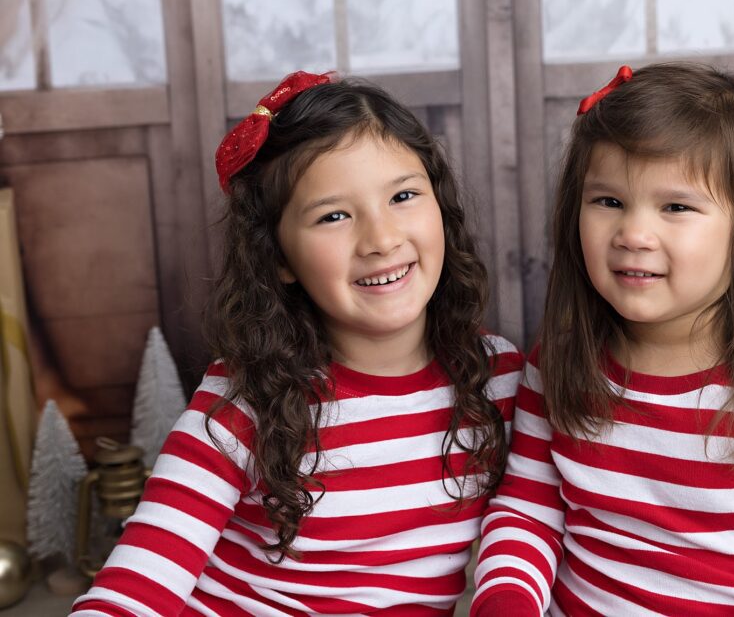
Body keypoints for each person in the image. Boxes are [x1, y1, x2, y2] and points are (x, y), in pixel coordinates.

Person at [71, 71, 523, 616]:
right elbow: (135, 585)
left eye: (403, 196)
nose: (381, 240)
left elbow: (535, 521)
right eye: (333, 216)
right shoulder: (246, 399)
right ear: (280, 258)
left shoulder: (495, 378)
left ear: (442, 211)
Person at [471, 63, 734, 616]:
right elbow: (530, 509)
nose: (633, 234)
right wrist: (507, 599)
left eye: (676, 207)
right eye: (608, 202)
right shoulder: (558, 362)